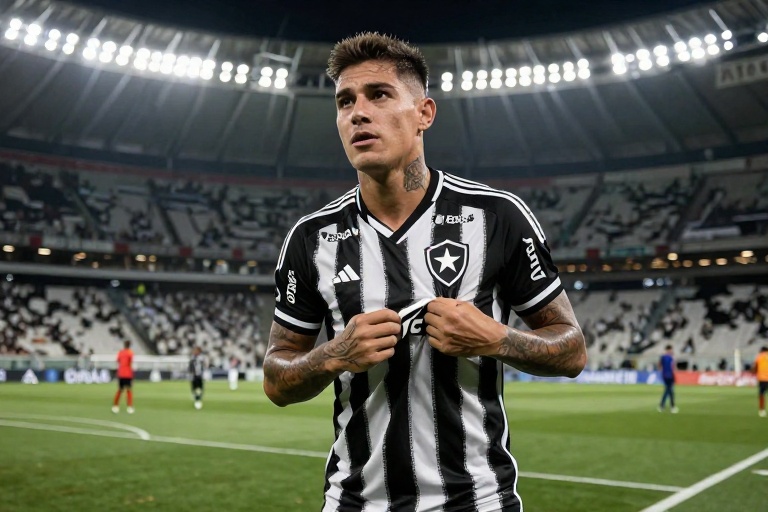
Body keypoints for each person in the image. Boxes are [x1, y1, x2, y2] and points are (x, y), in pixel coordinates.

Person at [263, 32, 586, 512]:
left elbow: (572, 350)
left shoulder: (496, 217)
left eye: (379, 95)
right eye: (345, 101)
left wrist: (496, 339)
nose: (358, 113)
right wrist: (333, 355)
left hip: (477, 502)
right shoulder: (312, 238)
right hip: (355, 503)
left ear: (424, 114)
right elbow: (276, 377)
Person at [113, 340, 134, 414]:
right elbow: (130, 363)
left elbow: (118, 361)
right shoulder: (130, 353)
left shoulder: (120, 352)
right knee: (128, 390)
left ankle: (115, 406)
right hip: (128, 374)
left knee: (120, 390)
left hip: (121, 373)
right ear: (129, 345)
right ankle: (129, 407)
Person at [658, 344, 678, 413]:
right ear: (668, 350)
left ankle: (663, 406)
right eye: (670, 350)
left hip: (666, 375)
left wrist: (662, 371)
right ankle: (671, 406)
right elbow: (673, 367)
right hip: (669, 376)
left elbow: (659, 365)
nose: (671, 351)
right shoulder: (670, 357)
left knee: (668, 391)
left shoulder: (663, 357)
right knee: (669, 391)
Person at [751, 346, 768, 417]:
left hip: (762, 378)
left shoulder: (759, 356)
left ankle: (762, 410)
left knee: (761, 394)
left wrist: (753, 372)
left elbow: (755, 367)